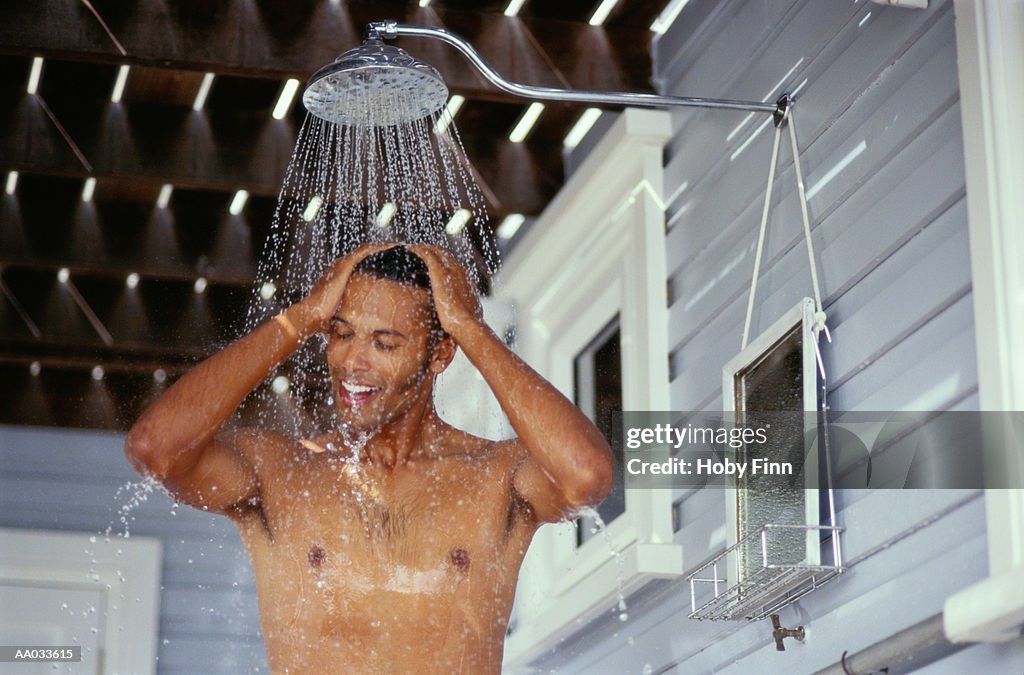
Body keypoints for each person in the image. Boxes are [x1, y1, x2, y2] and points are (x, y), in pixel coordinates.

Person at [124, 243, 614, 673]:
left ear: (441, 355)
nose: (353, 362)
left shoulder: (494, 476)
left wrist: (469, 328)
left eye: (384, 343)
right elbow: (156, 450)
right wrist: (301, 317)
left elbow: (585, 476)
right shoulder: (281, 472)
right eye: (341, 334)